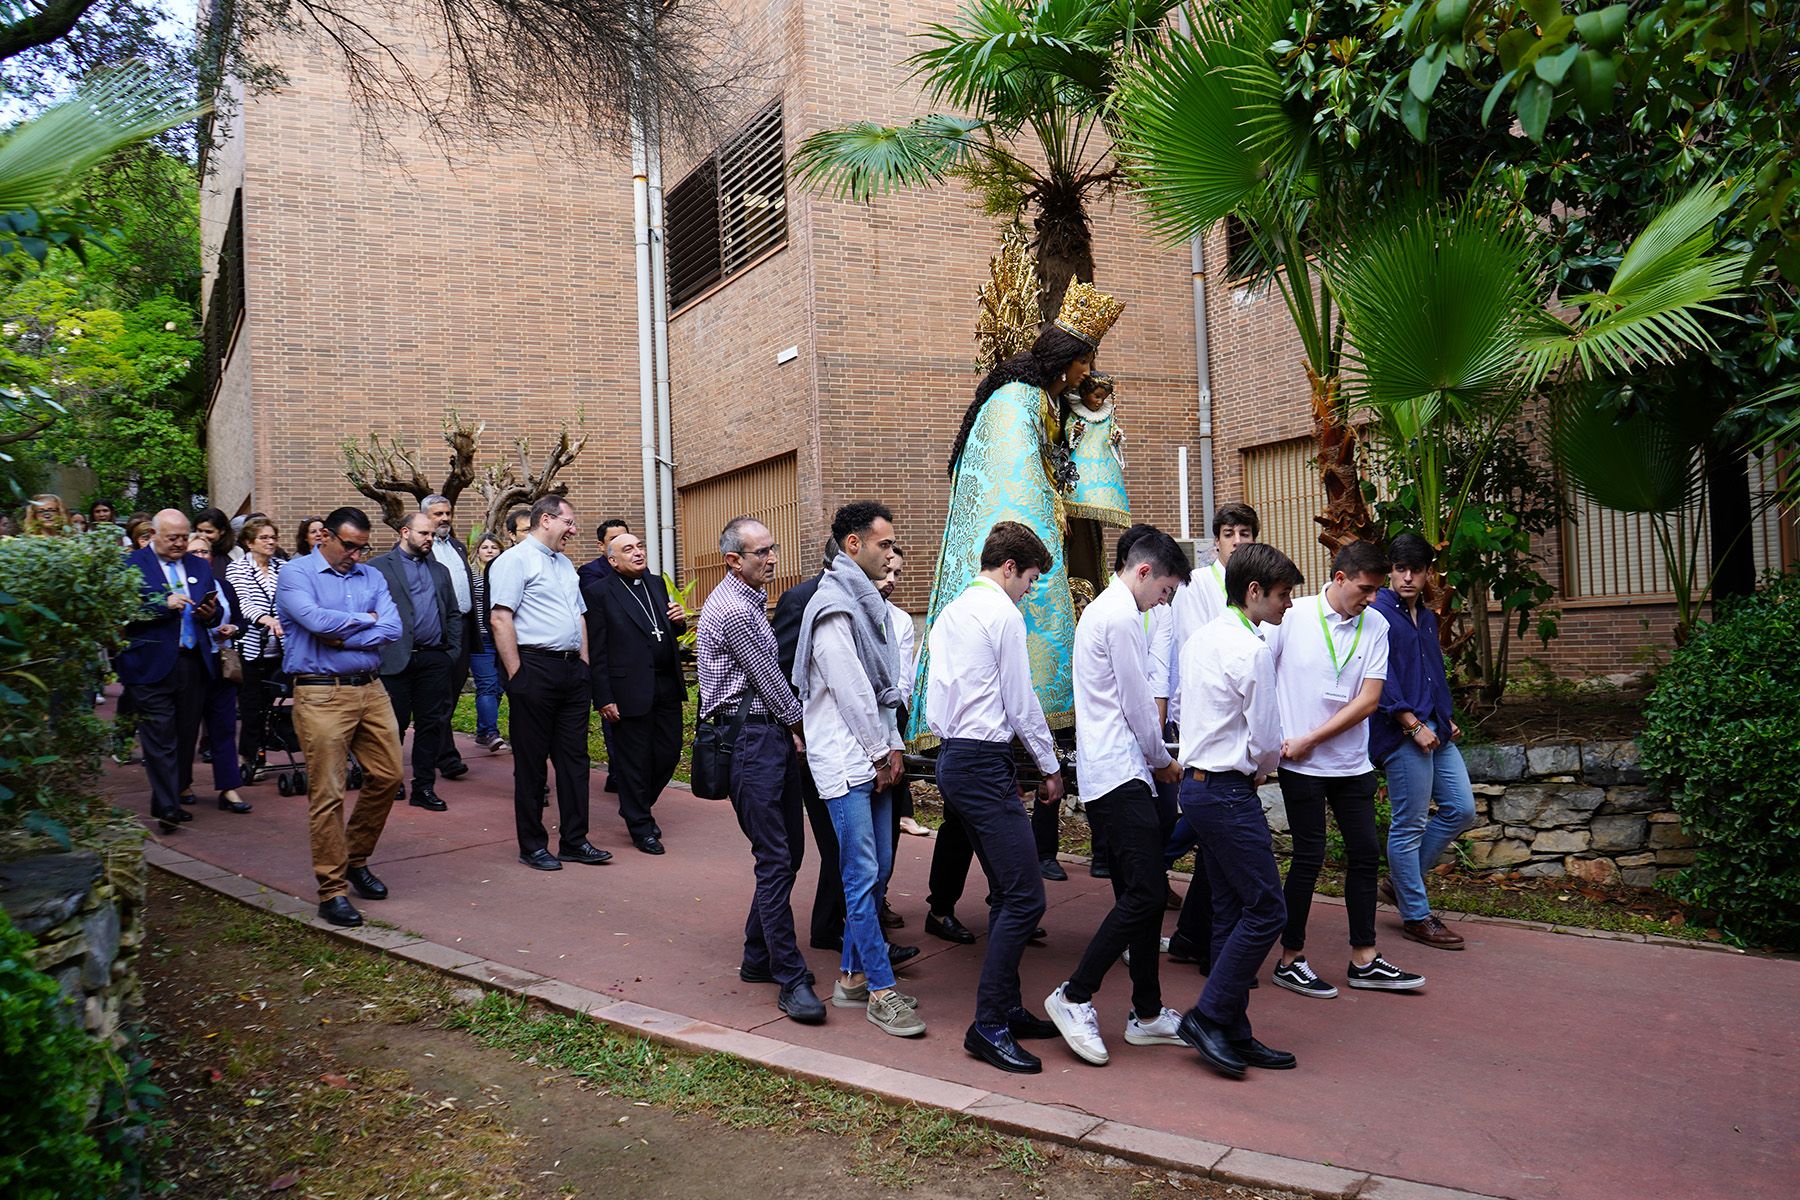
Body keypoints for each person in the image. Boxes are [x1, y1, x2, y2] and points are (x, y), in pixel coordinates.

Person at [908, 281, 1126, 747]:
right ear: (1063, 358)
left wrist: (1091, 406)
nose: (1087, 370)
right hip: (1022, 539)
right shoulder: (1016, 400)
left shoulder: (1047, 399)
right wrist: (1049, 514)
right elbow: (1016, 479)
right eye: (1083, 360)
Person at [1044, 528, 1190, 1066]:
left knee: (1141, 894)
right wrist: (1164, 761)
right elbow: (1137, 707)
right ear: (1145, 572)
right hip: (1121, 771)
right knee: (1147, 894)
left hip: (1117, 771)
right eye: (1167, 590)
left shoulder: (1109, 609)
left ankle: (1147, 1013)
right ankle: (1074, 994)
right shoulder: (1122, 615)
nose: (1164, 602)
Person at [927, 520, 1068, 1074]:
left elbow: (938, 694)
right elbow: (1020, 699)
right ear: (1009, 569)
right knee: (1025, 897)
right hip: (983, 761)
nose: (1029, 592)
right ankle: (987, 1024)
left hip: (955, 756)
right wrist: (1049, 766)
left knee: (1010, 893)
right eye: (1030, 581)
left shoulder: (952, 610)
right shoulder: (1002, 614)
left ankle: (1006, 1008)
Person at [1267, 539, 1424, 999]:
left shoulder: (1375, 624)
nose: (1373, 598)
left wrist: (1312, 737)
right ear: (1339, 579)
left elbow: (1370, 699)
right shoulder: (1291, 616)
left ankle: (1364, 959)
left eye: (1377, 589)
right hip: (1300, 765)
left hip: (1351, 763)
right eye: (1365, 588)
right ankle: (1290, 959)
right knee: (1308, 859)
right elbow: (1260, 677)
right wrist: (1274, 744)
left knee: (1363, 855)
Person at [792, 503, 926, 1037]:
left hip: (877, 755)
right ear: (853, 545)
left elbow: (885, 695)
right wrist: (879, 751)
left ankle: (849, 977)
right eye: (884, 545)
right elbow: (850, 692)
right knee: (861, 875)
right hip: (848, 761)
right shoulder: (832, 608)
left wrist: (891, 748)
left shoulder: (871, 608)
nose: (892, 554)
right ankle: (880, 990)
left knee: (877, 870)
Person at [1173, 542, 1302, 1078]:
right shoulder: (1251, 649)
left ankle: (1233, 1028)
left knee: (1231, 909)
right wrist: (1264, 763)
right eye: (1282, 595)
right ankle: (1207, 1017)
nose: (1288, 606)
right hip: (1227, 790)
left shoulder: (1202, 637)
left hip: (1198, 788)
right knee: (1269, 909)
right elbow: (1268, 736)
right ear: (1253, 592)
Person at [697, 515, 825, 1025]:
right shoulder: (735, 611)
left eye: (773, 548)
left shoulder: (746, 602)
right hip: (750, 742)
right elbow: (771, 682)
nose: (772, 558)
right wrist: (807, 731)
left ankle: (758, 956)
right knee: (776, 858)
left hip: (764, 737)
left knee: (787, 852)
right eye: (761, 553)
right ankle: (789, 977)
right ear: (733, 560)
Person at [275, 506, 406, 928]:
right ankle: (331, 890)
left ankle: (355, 858)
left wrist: (341, 632)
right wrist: (362, 623)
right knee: (328, 793)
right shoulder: (297, 574)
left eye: (362, 548)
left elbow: (392, 628)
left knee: (387, 776)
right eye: (349, 545)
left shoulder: (373, 577)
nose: (356, 555)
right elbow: (312, 621)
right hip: (319, 692)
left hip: (371, 688)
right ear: (324, 537)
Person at [489, 496, 611, 871]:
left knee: (575, 760)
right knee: (531, 764)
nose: (573, 531)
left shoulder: (565, 565)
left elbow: (579, 616)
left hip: (571, 672)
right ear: (547, 519)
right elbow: (500, 618)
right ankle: (532, 845)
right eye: (569, 523)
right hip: (534, 669)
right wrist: (517, 675)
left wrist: (584, 666)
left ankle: (575, 840)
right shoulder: (513, 561)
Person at [1163, 502, 1260, 968]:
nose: (1237, 540)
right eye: (1228, 533)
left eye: (1245, 532)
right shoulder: (1198, 586)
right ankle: (1144, 871)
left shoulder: (1261, 589)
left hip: (1241, 723)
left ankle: (1191, 939)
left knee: (1214, 852)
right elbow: (1190, 651)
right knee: (1207, 834)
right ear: (1216, 540)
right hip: (1207, 722)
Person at [1372, 533, 1477, 950]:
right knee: (1410, 823)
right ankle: (1416, 915)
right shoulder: (1377, 613)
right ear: (1390, 570)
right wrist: (1412, 723)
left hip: (1435, 725)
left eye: (1416, 569)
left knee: (1461, 809)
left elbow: (1433, 670)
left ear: (1428, 572)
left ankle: (1400, 883)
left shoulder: (1429, 617)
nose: (1408, 577)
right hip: (1400, 730)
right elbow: (1378, 676)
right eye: (1400, 568)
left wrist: (1444, 717)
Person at [116, 510, 223, 832]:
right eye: (172, 538)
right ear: (153, 534)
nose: (179, 544)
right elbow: (122, 610)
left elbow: (212, 618)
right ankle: (167, 807)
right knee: (160, 738)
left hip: (191, 663)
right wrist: (163, 605)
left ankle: (169, 794)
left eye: (183, 537)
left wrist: (209, 614)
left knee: (184, 736)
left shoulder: (198, 565)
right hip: (149, 664)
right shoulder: (131, 565)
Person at [583, 529, 687, 853]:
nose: (638, 552)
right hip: (627, 688)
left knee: (668, 754)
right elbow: (596, 650)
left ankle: (634, 805)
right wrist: (602, 697)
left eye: (639, 546)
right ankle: (640, 824)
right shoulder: (599, 593)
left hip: (665, 683)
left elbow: (664, 630)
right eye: (628, 549)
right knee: (634, 761)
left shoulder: (656, 584)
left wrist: (679, 621)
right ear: (612, 561)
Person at [370, 512, 464, 814]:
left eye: (432, 535)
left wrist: (450, 651)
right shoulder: (378, 568)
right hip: (395, 658)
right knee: (392, 726)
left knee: (431, 724)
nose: (429, 539)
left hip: (434, 657)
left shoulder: (439, 570)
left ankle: (424, 787)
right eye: (423, 533)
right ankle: (390, 780)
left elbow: (452, 612)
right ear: (404, 532)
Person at [185, 533, 252, 814]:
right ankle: (181, 784)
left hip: (221, 662)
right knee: (186, 728)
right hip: (190, 665)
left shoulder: (223, 585)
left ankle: (229, 788)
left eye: (205, 552)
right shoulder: (179, 586)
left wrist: (234, 628)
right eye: (195, 552)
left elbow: (240, 620)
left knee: (223, 727)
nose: (201, 557)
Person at [421, 494, 476, 783]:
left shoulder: (456, 546)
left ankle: (436, 747)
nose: (444, 518)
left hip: (463, 627)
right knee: (439, 695)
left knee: (451, 693)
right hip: (436, 631)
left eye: (447, 513)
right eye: (437, 514)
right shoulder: (418, 549)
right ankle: (447, 756)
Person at [228, 517, 286, 780]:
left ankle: (263, 752)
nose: (271, 541)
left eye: (273, 537)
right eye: (264, 537)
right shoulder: (237, 569)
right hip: (251, 646)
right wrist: (267, 620)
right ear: (249, 542)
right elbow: (244, 603)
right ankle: (249, 758)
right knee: (252, 706)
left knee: (273, 705)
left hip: (281, 647)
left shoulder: (283, 567)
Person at [887, 547, 930, 842]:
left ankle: (902, 816)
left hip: (893, 708)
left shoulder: (901, 619)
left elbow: (902, 676)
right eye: (887, 570)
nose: (892, 579)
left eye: (898, 573)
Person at [468, 533, 508, 752]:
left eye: (494, 547)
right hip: (480, 638)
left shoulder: (504, 573)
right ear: (477, 551)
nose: (490, 550)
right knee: (487, 685)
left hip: (501, 637)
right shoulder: (470, 575)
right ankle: (491, 732)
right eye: (485, 547)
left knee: (499, 687)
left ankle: (483, 731)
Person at [579, 518, 631, 589]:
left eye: (625, 538)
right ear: (601, 546)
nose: (622, 542)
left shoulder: (640, 568)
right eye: (614, 539)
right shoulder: (589, 572)